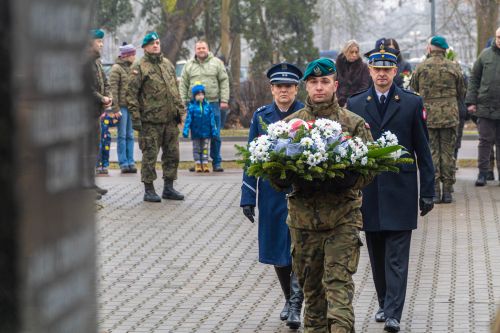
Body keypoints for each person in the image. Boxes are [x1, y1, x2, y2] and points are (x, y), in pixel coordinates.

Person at [282, 58, 374, 333]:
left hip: (342, 219)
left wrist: (349, 177)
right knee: (313, 298)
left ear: (335, 85)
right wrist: (282, 175)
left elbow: (370, 171)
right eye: (313, 82)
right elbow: (275, 174)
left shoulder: (354, 124)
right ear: (305, 87)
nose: (319, 87)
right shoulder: (289, 127)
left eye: (325, 82)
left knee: (338, 290)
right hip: (304, 223)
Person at [347, 43, 435, 332]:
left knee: (397, 256)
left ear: (395, 71)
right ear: (370, 70)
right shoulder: (357, 104)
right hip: (370, 192)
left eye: (387, 69)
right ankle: (385, 302)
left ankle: (395, 312)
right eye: (377, 69)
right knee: (377, 252)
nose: (382, 74)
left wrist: (428, 191)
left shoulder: (411, 102)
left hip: (401, 190)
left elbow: (423, 149)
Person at [240, 62, 305, 330]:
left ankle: (296, 304)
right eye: (279, 86)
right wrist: (248, 196)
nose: (283, 91)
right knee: (277, 249)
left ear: (296, 88)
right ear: (271, 89)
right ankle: (289, 298)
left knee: (298, 247)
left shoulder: (305, 114)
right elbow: (250, 157)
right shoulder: (261, 116)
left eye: (288, 86)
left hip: (300, 191)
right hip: (270, 193)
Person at [126, 32, 185, 202]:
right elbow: (131, 95)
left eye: (157, 42)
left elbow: (175, 90)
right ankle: (149, 189)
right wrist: (136, 118)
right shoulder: (139, 67)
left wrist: (180, 111)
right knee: (150, 155)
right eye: (151, 43)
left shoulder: (167, 64)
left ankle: (169, 187)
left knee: (172, 155)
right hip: (150, 121)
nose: (155, 45)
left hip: (170, 120)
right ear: (145, 47)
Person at [410, 36, 466, 204]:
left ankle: (434, 189)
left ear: (430, 49)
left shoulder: (421, 67)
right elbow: (462, 91)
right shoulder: (453, 67)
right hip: (450, 115)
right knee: (448, 152)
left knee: (431, 152)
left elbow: (413, 90)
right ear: (444, 50)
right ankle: (447, 191)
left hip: (429, 116)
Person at [180, 40, 230, 172]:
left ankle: (216, 162)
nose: (201, 50)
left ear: (208, 49)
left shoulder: (217, 63)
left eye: (203, 48)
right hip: (194, 106)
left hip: (213, 104)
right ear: (195, 50)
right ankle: (199, 161)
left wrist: (224, 100)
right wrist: (183, 101)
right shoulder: (189, 65)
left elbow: (224, 81)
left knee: (215, 134)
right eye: (198, 48)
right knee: (197, 135)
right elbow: (183, 84)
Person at [466, 27, 500, 186]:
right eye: (499, 37)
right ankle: (483, 173)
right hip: (485, 106)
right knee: (485, 142)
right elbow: (474, 79)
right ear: (496, 37)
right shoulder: (485, 55)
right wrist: (471, 102)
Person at [87, 28, 111, 198]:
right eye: (99, 41)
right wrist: (100, 98)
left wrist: (109, 96)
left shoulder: (97, 62)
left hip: (95, 112)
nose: (101, 44)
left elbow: (106, 81)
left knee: (94, 149)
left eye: (102, 41)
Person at [109, 43, 137, 174]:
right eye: (133, 54)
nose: (134, 57)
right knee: (122, 135)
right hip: (121, 107)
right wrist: (115, 108)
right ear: (126, 55)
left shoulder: (132, 68)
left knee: (130, 135)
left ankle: (131, 162)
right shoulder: (116, 68)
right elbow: (113, 90)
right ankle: (123, 163)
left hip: (131, 106)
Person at [182, 84, 217, 172]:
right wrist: (186, 130)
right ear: (194, 96)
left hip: (206, 132)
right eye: (198, 95)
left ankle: (205, 163)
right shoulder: (192, 107)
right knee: (196, 148)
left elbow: (212, 120)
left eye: (202, 94)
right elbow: (188, 120)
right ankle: (197, 163)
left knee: (205, 148)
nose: (201, 96)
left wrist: (214, 130)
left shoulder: (208, 107)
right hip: (196, 132)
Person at [335, 39, 371, 107]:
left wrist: (351, 102)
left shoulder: (363, 67)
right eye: (351, 52)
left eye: (356, 52)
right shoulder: (337, 66)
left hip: (356, 103)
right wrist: (339, 100)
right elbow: (334, 84)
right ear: (345, 52)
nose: (354, 55)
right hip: (338, 103)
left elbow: (364, 87)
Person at [96, 107, 122, 174]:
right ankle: (98, 166)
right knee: (99, 152)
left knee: (106, 152)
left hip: (106, 139)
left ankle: (105, 166)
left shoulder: (107, 117)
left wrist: (118, 117)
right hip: (98, 139)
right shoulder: (95, 118)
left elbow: (113, 122)